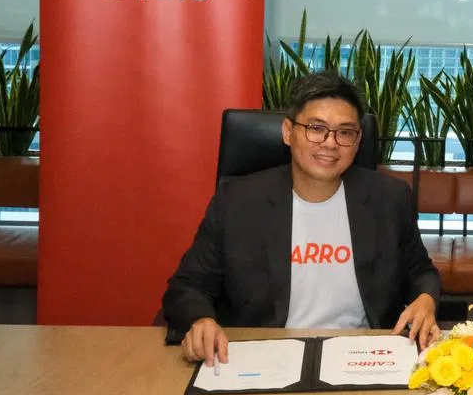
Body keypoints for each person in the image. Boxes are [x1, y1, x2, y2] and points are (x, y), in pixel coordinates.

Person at [162, 71, 441, 367]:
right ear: (287, 131)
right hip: (265, 355)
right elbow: (188, 286)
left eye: (345, 132)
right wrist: (201, 320)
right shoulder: (238, 201)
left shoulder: (389, 199)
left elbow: (420, 271)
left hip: (361, 355)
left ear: (358, 141)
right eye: (316, 128)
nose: (330, 143)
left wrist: (426, 299)